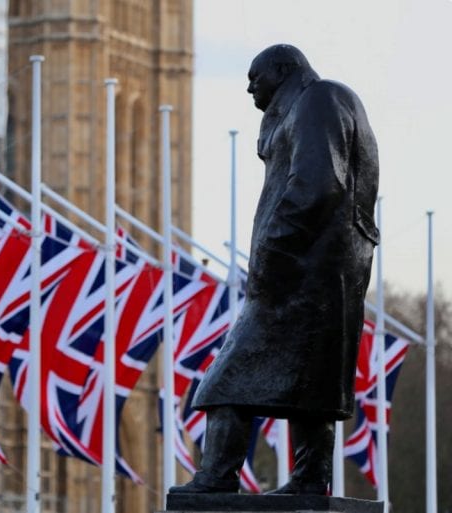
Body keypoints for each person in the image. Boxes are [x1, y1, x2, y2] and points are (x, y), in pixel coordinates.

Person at [170, 44, 380, 495]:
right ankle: (310, 480)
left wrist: (273, 248)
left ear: (284, 70)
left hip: (303, 271)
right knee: (314, 384)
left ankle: (217, 476)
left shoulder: (318, 100)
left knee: (226, 380)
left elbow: (318, 184)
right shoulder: (318, 103)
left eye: (256, 77)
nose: (250, 87)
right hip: (322, 271)